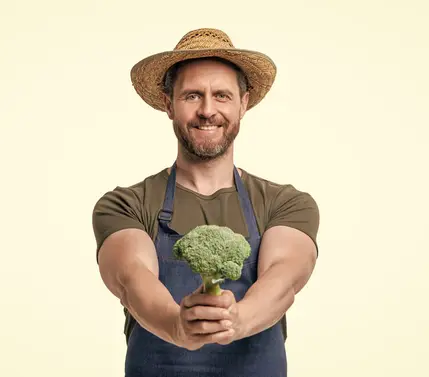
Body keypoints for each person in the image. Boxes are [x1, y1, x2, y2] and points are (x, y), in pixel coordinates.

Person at [92, 28, 320, 377]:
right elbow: (131, 279)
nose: (207, 110)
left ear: (244, 103)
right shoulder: (126, 204)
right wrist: (176, 326)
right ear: (169, 104)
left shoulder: (284, 203)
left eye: (222, 96)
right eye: (193, 96)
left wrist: (236, 320)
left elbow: (284, 279)